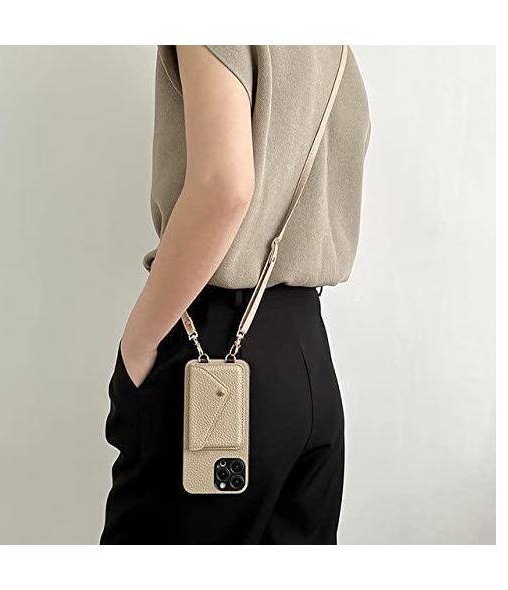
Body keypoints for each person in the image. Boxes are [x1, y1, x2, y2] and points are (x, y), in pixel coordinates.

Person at [101, 45, 370, 544]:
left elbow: (224, 186)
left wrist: (138, 343)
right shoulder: (333, 46)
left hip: (213, 347)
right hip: (308, 357)